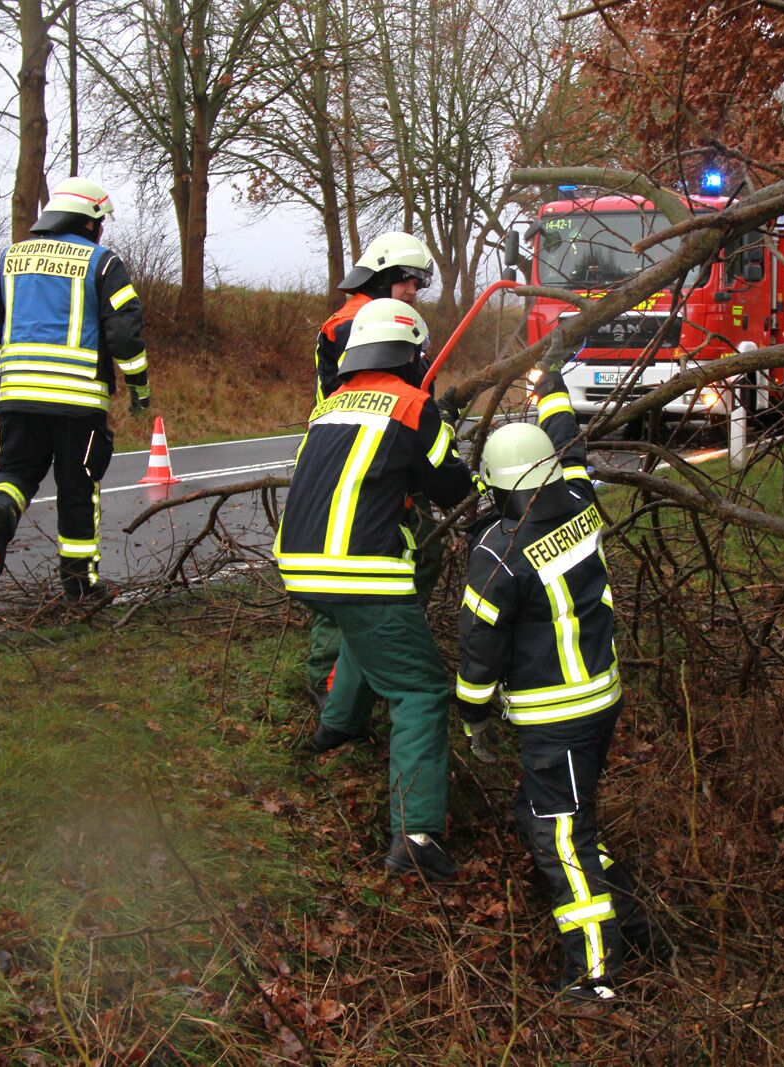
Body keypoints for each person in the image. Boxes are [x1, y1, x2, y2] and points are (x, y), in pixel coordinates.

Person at [453, 372, 657, 1002]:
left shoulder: (497, 552)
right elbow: (571, 444)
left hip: (556, 719)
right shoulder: (579, 499)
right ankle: (640, 931)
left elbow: (479, 652)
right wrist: (553, 385)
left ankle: (593, 976)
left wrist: (473, 717)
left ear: (493, 485)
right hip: (601, 699)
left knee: (560, 838)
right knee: (565, 821)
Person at [275, 298, 474, 881]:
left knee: (371, 633)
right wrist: (445, 431)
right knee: (420, 690)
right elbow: (453, 488)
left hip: (299, 563)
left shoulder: (328, 406)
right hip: (358, 568)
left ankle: (337, 726)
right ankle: (415, 838)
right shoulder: (413, 405)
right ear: (412, 354)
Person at [0, 176, 150, 602]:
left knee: (13, 472)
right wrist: (138, 385)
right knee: (77, 488)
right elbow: (124, 333)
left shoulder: (10, 258)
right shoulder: (103, 263)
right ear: (89, 222)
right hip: (79, 402)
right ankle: (79, 583)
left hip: (18, 396)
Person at [303, 232, 441, 708]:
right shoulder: (356, 323)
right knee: (350, 565)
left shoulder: (377, 316)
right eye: (408, 281)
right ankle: (336, 683)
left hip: (371, 453)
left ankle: (362, 668)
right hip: (370, 457)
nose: (414, 291)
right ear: (382, 276)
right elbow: (389, 388)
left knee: (400, 554)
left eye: (418, 284)